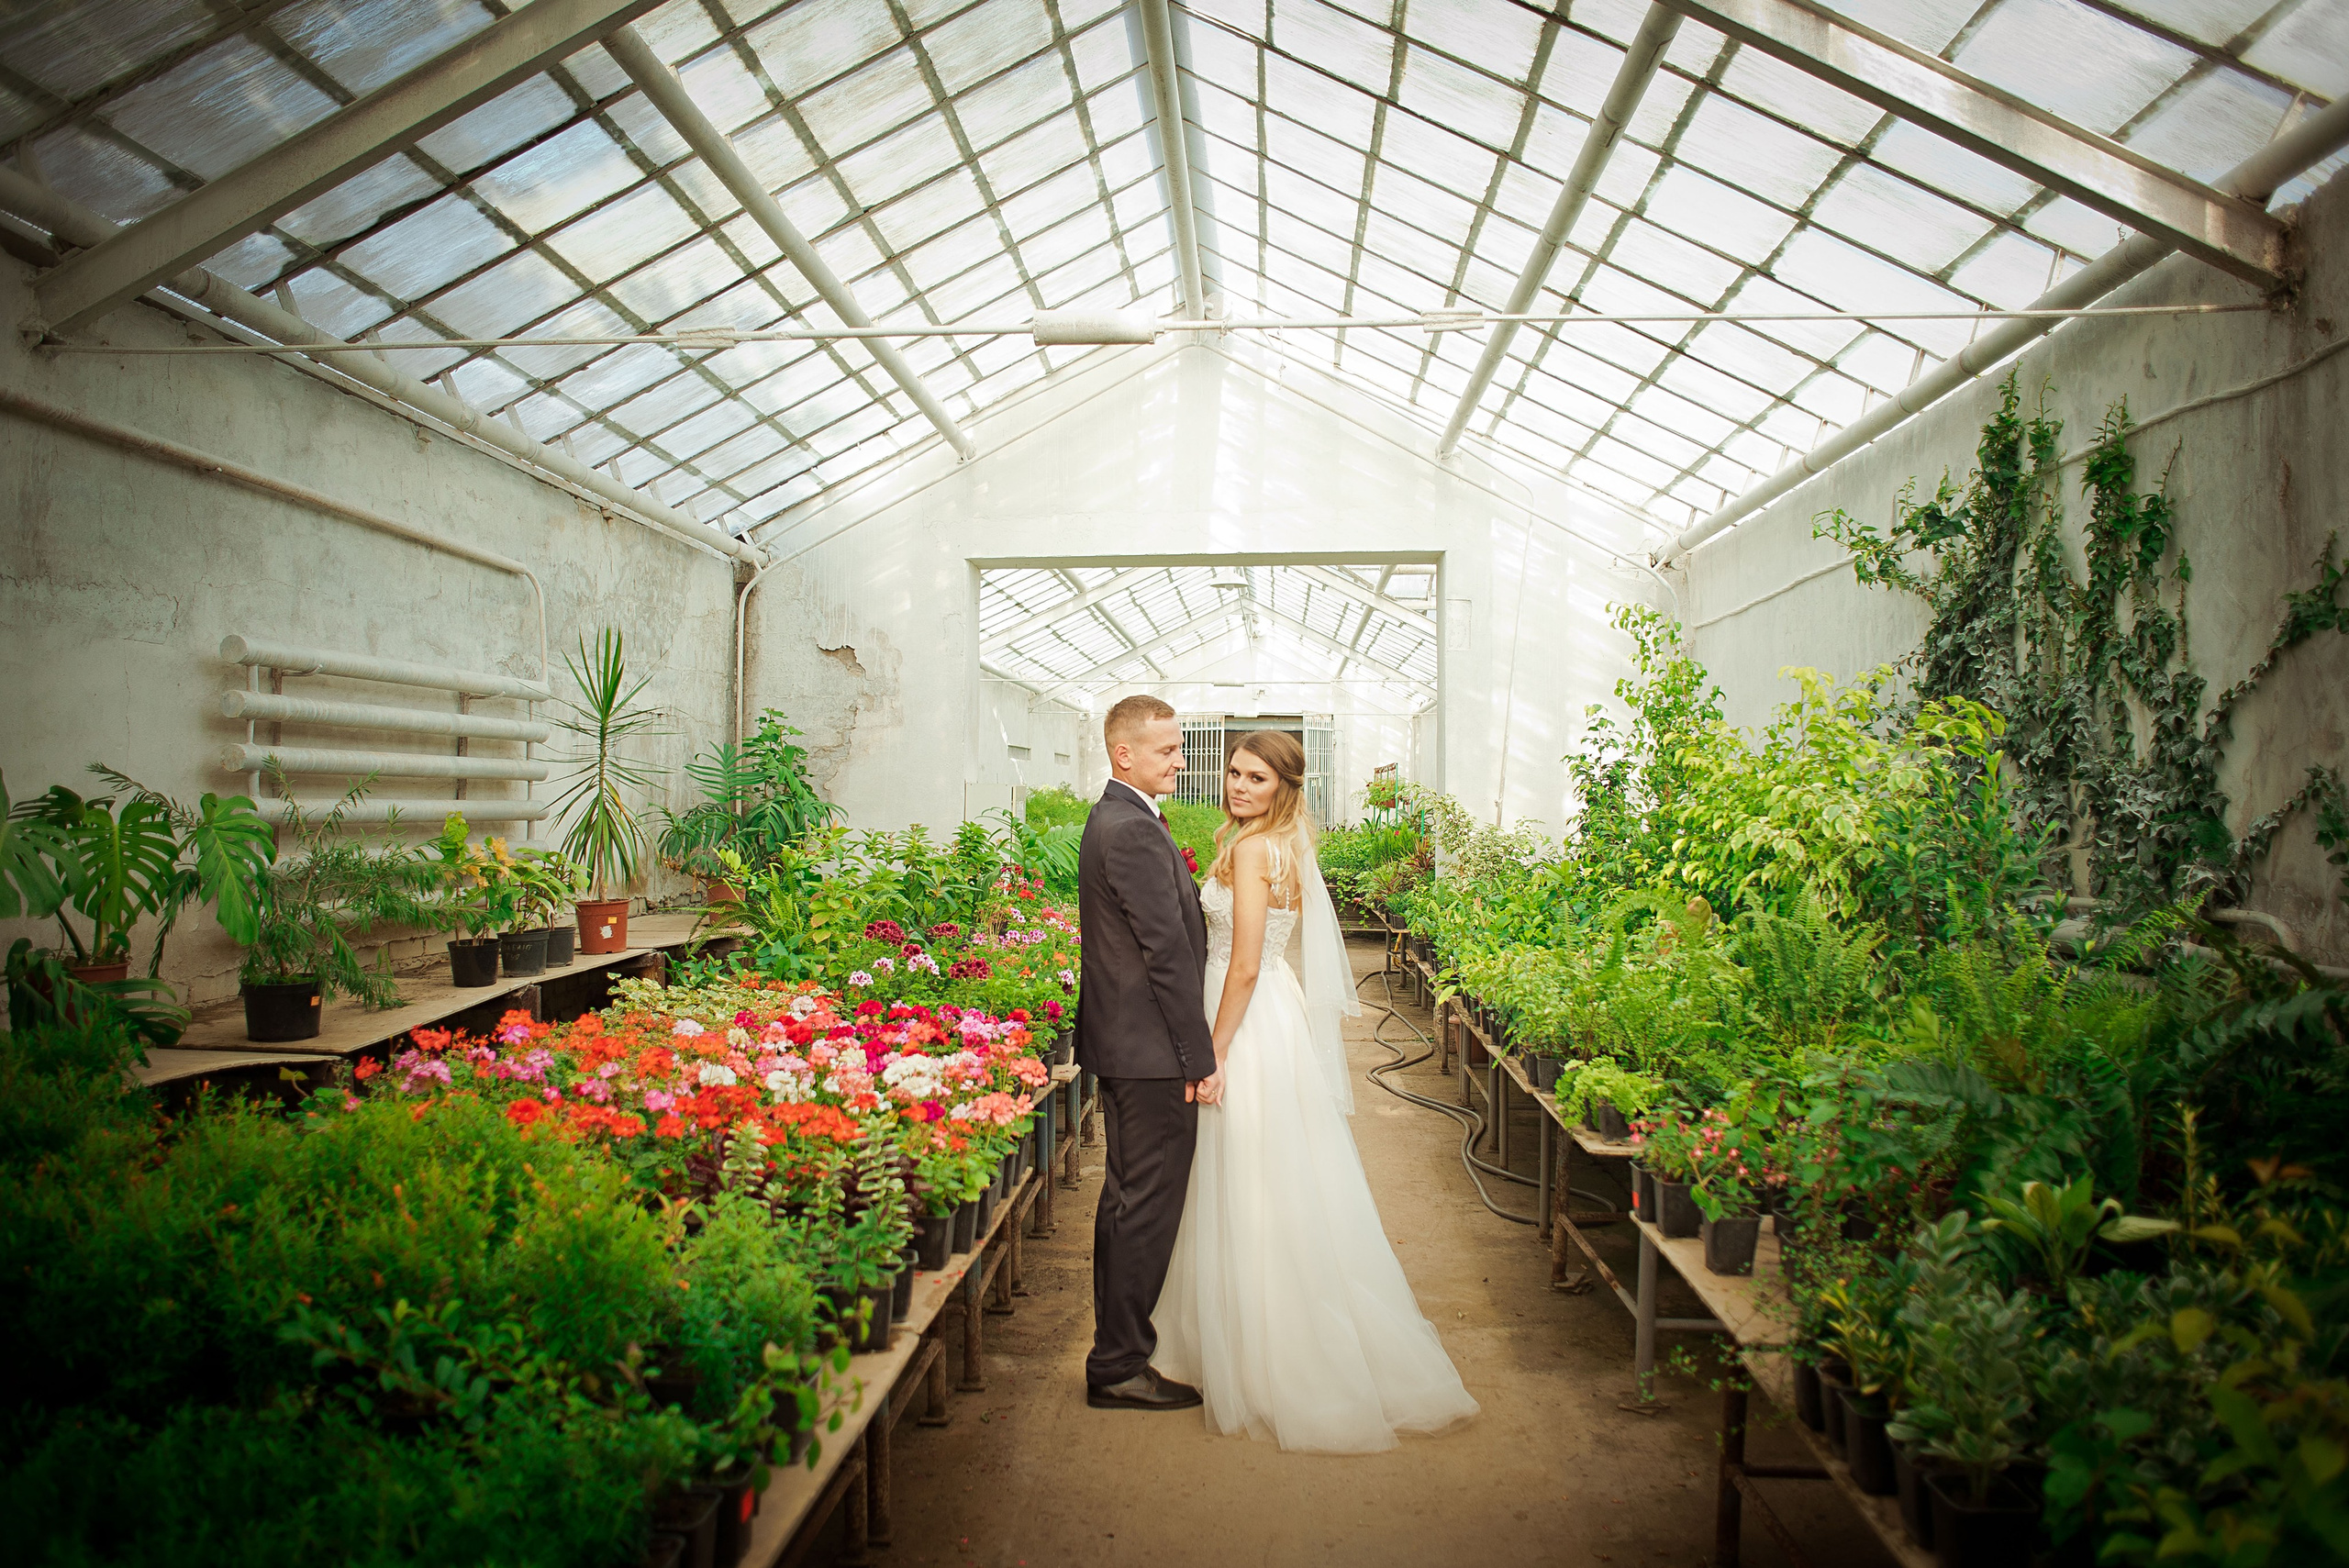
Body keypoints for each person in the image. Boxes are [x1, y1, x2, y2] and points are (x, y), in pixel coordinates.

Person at [1149, 730, 1479, 1452]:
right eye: (1235, 772)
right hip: (1272, 1011)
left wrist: (1214, 1051)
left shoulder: (1251, 851)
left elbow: (1242, 964)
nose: (1239, 786)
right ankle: (1244, 1332)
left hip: (1242, 1019)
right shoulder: (1280, 843)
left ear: (1284, 788)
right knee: (1270, 1172)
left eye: (1257, 778)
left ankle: (1256, 1349)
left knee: (1244, 1174)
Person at [1074, 694, 1215, 1411]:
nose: (1180, 761)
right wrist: (1199, 1056)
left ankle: (1118, 1352)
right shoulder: (1129, 828)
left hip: (1133, 1046)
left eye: (1179, 747)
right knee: (1145, 1207)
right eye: (1167, 749)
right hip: (1152, 1052)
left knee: (1128, 1199)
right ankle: (1119, 1363)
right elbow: (1166, 953)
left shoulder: (1121, 816)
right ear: (1123, 753)